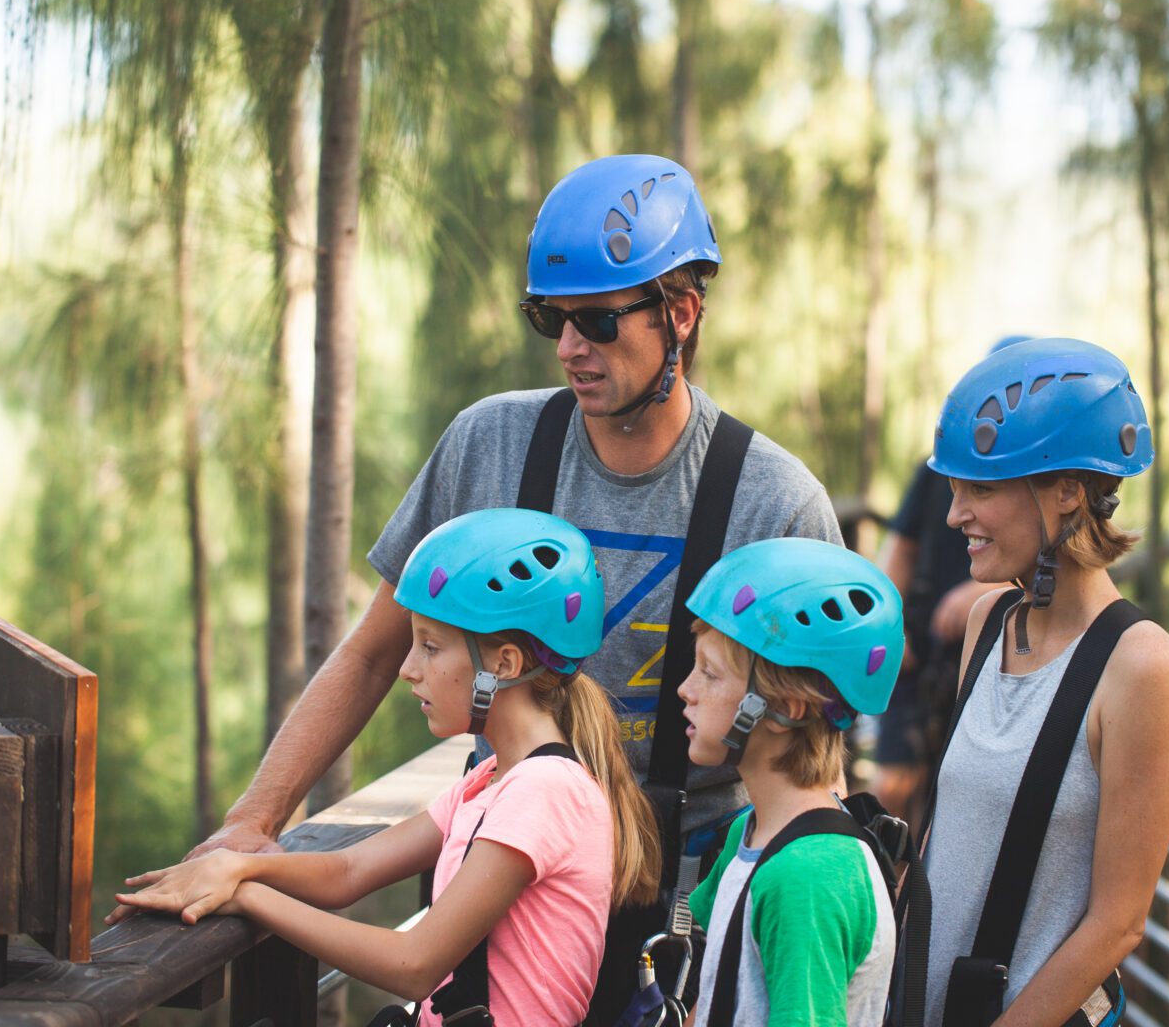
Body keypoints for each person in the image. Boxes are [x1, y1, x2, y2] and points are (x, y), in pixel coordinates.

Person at [112, 155, 842, 1023]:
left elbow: (814, 740)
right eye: (549, 319)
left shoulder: (773, 500)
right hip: (495, 872)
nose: (571, 348)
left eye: (599, 322)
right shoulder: (488, 447)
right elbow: (376, 648)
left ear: (681, 314)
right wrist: (252, 826)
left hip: (680, 901)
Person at [112, 510, 659, 1027]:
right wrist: (236, 865)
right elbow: (349, 872)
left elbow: (415, 962)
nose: (406, 669)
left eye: (430, 647)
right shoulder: (489, 781)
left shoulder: (544, 792)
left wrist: (246, 895)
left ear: (504, 665)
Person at [905, 337, 1169, 1027]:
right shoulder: (986, 621)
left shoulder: (1140, 665)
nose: (954, 516)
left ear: (1067, 490)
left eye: (982, 489)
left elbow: (1119, 923)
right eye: (953, 489)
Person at [676, 537, 906, 1027]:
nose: (685, 690)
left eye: (709, 674)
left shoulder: (807, 876)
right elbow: (718, 992)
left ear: (783, 708)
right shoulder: (750, 831)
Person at [873, 335, 1031, 830]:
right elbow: (899, 549)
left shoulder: (1036, 479)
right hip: (921, 658)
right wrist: (887, 625)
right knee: (891, 791)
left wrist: (991, 592)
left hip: (990, 674)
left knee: (956, 802)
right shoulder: (937, 470)